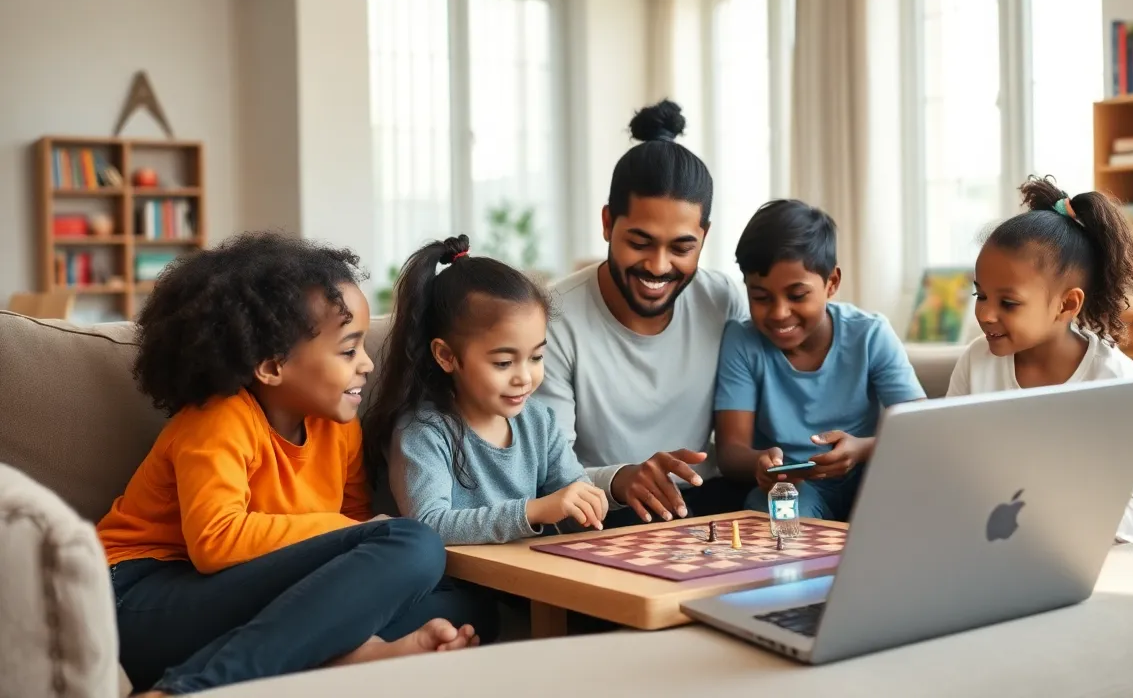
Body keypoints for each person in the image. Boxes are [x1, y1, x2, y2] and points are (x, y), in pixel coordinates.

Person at [96, 232, 491, 697]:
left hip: (247, 601)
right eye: (348, 350)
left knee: (466, 603)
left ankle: (340, 656)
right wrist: (356, 534)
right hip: (139, 598)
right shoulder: (217, 420)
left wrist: (357, 538)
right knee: (415, 543)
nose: (366, 364)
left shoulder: (338, 425)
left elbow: (354, 544)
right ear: (271, 365)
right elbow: (217, 543)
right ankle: (188, 687)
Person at [534, 99, 751, 528]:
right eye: (640, 242)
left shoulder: (723, 299)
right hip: (601, 511)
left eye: (682, 247)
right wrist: (621, 480)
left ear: (704, 237)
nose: (657, 265)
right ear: (607, 224)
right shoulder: (554, 315)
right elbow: (547, 473)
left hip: (704, 504)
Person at [945, 176, 1133, 544]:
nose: (985, 314)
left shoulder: (1115, 378)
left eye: (1008, 303)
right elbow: (947, 460)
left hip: (1083, 551)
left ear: (1067, 304)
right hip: (986, 543)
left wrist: (1051, 529)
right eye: (980, 295)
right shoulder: (976, 361)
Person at [362, 235, 608, 545]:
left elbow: (573, 495)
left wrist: (584, 507)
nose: (524, 377)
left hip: (523, 579)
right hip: (449, 587)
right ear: (447, 356)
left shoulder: (539, 423)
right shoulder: (424, 431)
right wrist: (532, 511)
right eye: (504, 363)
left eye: (536, 357)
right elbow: (428, 524)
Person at [714, 199, 927, 521]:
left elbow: (920, 428)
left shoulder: (869, 334)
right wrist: (759, 463)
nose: (779, 312)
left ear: (832, 283)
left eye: (797, 296)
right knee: (774, 514)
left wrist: (860, 450)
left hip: (871, 478)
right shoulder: (742, 342)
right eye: (760, 297)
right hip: (793, 486)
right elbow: (731, 452)